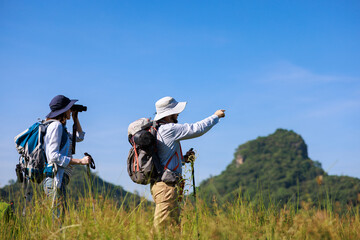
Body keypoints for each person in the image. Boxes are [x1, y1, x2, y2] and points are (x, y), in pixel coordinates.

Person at [151, 96, 225, 230]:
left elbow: (163, 158)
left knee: (173, 228)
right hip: (166, 187)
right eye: (176, 111)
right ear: (169, 113)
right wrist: (216, 116)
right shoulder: (169, 129)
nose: (178, 114)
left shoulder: (157, 130)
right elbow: (197, 129)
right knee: (160, 229)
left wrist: (184, 159)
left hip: (163, 186)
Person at [42, 95, 90, 218]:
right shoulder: (56, 126)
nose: (70, 110)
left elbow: (79, 137)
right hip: (54, 179)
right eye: (69, 108)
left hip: (59, 178)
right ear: (63, 111)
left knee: (60, 217)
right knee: (58, 219)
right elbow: (53, 156)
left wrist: (75, 118)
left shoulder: (61, 128)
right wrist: (80, 161)